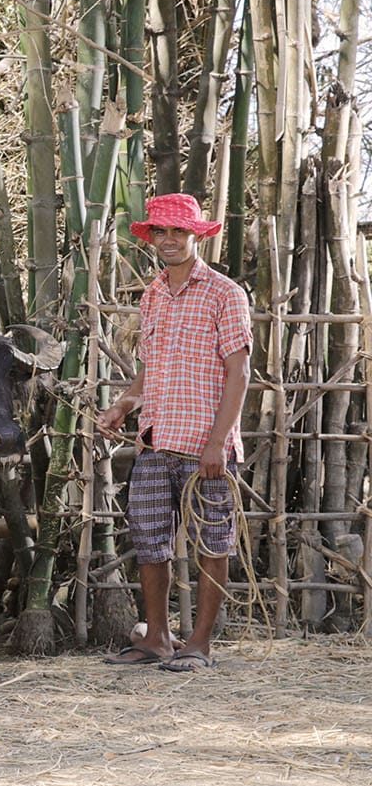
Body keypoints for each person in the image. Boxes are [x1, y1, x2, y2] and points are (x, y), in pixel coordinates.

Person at [100, 193, 251, 673]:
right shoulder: (152, 294)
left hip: (205, 444)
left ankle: (200, 644)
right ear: (151, 238)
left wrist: (216, 442)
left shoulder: (226, 293)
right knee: (149, 540)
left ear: (196, 235)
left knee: (212, 542)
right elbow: (152, 368)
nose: (168, 241)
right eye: (160, 232)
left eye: (178, 232)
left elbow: (239, 372)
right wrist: (126, 402)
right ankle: (158, 639)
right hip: (155, 438)